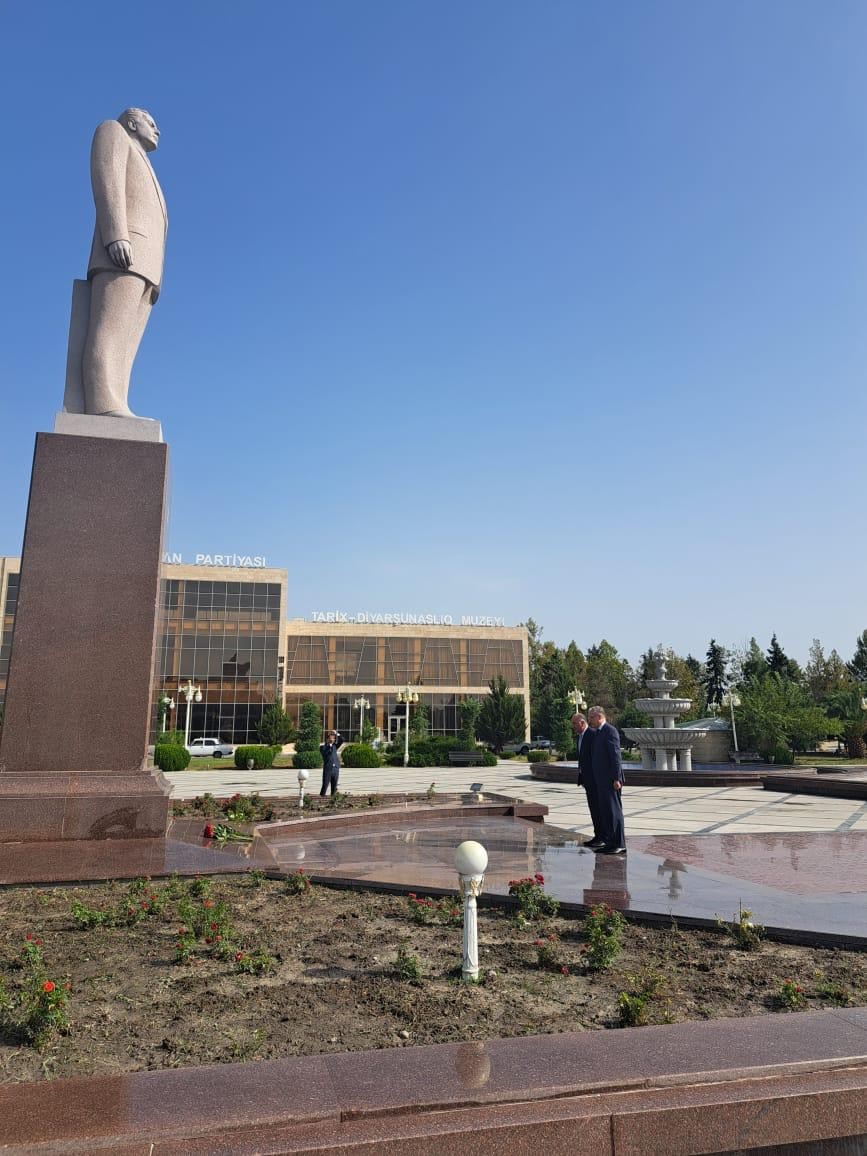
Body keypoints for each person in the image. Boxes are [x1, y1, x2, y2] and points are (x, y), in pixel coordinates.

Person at [67, 108, 168, 418]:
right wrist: (115, 235)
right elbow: (106, 179)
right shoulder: (113, 132)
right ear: (132, 122)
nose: (157, 130)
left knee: (127, 344)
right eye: (152, 123)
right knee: (109, 329)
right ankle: (102, 402)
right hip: (125, 249)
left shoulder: (146, 161)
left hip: (147, 263)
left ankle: (117, 401)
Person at [586, 706, 626, 854]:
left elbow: (615, 756)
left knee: (614, 811)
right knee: (606, 813)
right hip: (601, 781)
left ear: (599, 716)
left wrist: (617, 778)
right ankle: (610, 842)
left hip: (611, 781)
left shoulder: (610, 731)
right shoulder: (598, 733)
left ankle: (619, 843)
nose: (589, 721)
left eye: (591, 717)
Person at [572, 712, 603, 848]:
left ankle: (602, 837)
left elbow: (596, 758)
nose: (573, 727)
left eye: (574, 724)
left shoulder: (592, 734)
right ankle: (597, 836)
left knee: (598, 809)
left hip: (595, 780)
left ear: (582, 722)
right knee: (593, 808)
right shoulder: (580, 737)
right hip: (587, 780)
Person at [319, 729, 345, 796]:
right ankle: (321, 799)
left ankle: (333, 801)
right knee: (325, 786)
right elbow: (326, 752)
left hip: (335, 769)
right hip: (328, 770)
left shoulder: (335, 746)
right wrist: (329, 744)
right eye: (330, 738)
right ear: (327, 739)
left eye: (333, 738)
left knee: (334, 787)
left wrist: (336, 733)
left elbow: (342, 739)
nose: (332, 739)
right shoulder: (322, 747)